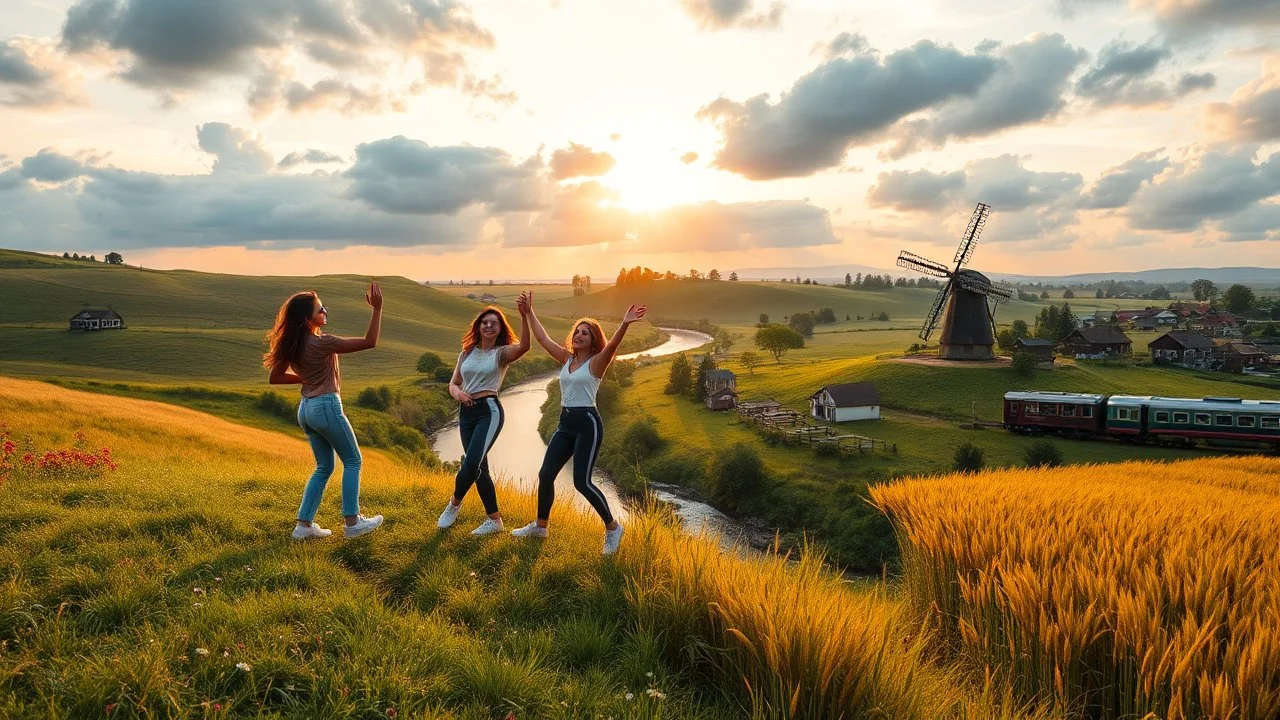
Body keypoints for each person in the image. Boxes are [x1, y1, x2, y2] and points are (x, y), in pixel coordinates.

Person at [511, 291, 647, 555]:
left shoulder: (597, 363)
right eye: (577, 331)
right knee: (545, 475)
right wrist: (528, 313)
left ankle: (613, 528)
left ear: (593, 339)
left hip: (587, 423)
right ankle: (541, 527)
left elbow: (613, 347)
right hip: (565, 423)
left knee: (582, 482)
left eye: (585, 332)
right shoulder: (567, 360)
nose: (579, 335)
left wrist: (624, 324)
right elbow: (542, 338)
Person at [263, 282, 385, 540]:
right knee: (353, 461)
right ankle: (353, 523)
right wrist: (377, 309)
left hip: (306, 409)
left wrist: (307, 378)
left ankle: (303, 526)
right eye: (321, 310)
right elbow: (370, 342)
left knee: (323, 467)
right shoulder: (322, 342)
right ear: (308, 319)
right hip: (326, 405)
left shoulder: (292, 345)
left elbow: (275, 377)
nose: (325, 312)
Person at [437, 305, 530, 535]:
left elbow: (525, 346)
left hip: (489, 411)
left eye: (494, 323)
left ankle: (453, 505)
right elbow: (454, 383)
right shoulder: (466, 352)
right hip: (466, 413)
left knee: (470, 463)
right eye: (485, 322)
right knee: (479, 469)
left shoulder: (501, 353)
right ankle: (495, 521)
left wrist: (525, 315)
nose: (489, 326)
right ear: (478, 326)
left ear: (500, 330)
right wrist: (457, 393)